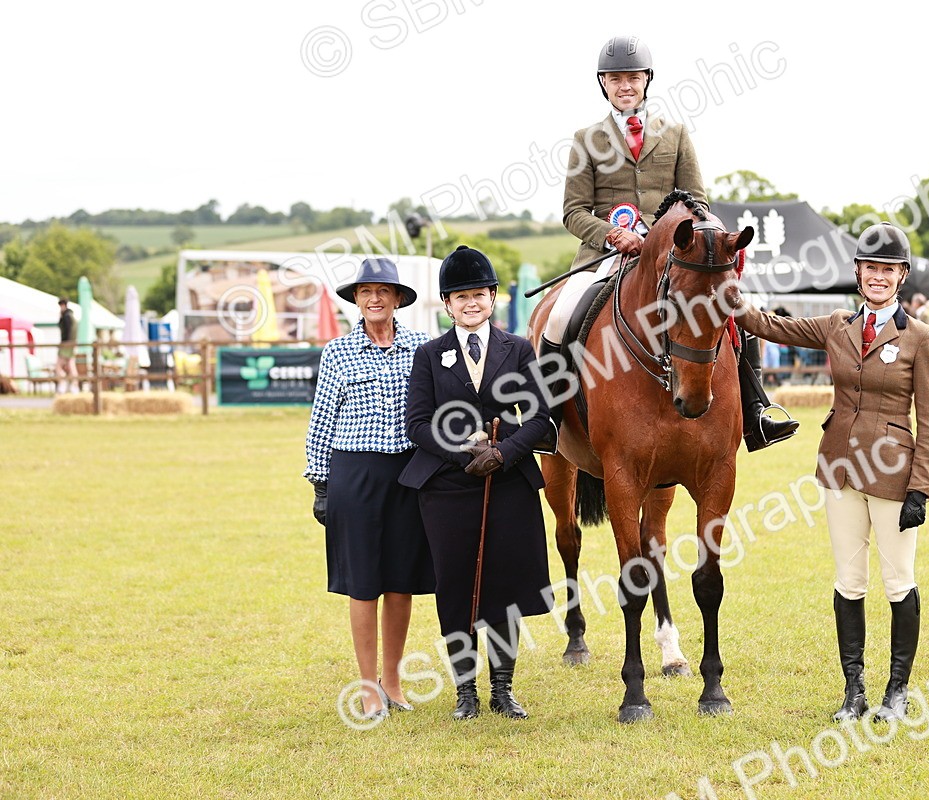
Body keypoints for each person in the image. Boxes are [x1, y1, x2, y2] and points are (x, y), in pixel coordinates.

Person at [539, 34, 797, 452]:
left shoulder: (674, 133)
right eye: (616, 78)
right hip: (606, 256)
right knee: (557, 317)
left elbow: (698, 201)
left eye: (633, 77)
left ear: (647, 80)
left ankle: (756, 411)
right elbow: (573, 210)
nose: (625, 85)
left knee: (734, 311)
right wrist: (612, 233)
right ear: (603, 83)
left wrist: (680, 238)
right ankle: (548, 423)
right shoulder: (586, 139)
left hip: (673, 255)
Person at [734, 222, 929, 723]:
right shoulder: (836, 326)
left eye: (888, 270)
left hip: (894, 475)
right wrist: (732, 302)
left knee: (898, 582)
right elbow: (774, 327)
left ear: (901, 276)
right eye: (871, 268)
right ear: (858, 273)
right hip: (840, 471)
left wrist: (921, 488)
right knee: (849, 581)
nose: (878, 277)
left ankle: (897, 691)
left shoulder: (920, 338)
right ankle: (854, 691)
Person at [400, 245, 554, 721]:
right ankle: (465, 690)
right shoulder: (429, 355)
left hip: (508, 482)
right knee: (456, 586)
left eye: (479, 294)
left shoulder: (520, 349)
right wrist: (462, 454)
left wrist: (503, 453)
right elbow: (417, 423)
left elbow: (542, 414)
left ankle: (503, 689)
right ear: (447, 304)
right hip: (447, 486)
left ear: (492, 297)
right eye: (460, 296)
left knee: (504, 584)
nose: (470, 303)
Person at [303, 257, 436, 722]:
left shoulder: (423, 348)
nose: (374, 298)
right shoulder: (337, 353)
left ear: (398, 298)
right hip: (353, 474)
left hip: (408, 473)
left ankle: (393, 682)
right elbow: (321, 421)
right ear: (356, 300)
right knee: (363, 585)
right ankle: (367, 690)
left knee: (401, 585)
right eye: (365, 292)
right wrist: (320, 484)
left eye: (383, 290)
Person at [56, 297, 79, 393]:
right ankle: (73, 385)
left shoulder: (66, 316)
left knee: (59, 366)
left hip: (66, 344)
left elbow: (67, 332)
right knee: (71, 365)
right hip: (71, 343)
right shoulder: (71, 316)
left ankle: (63, 383)